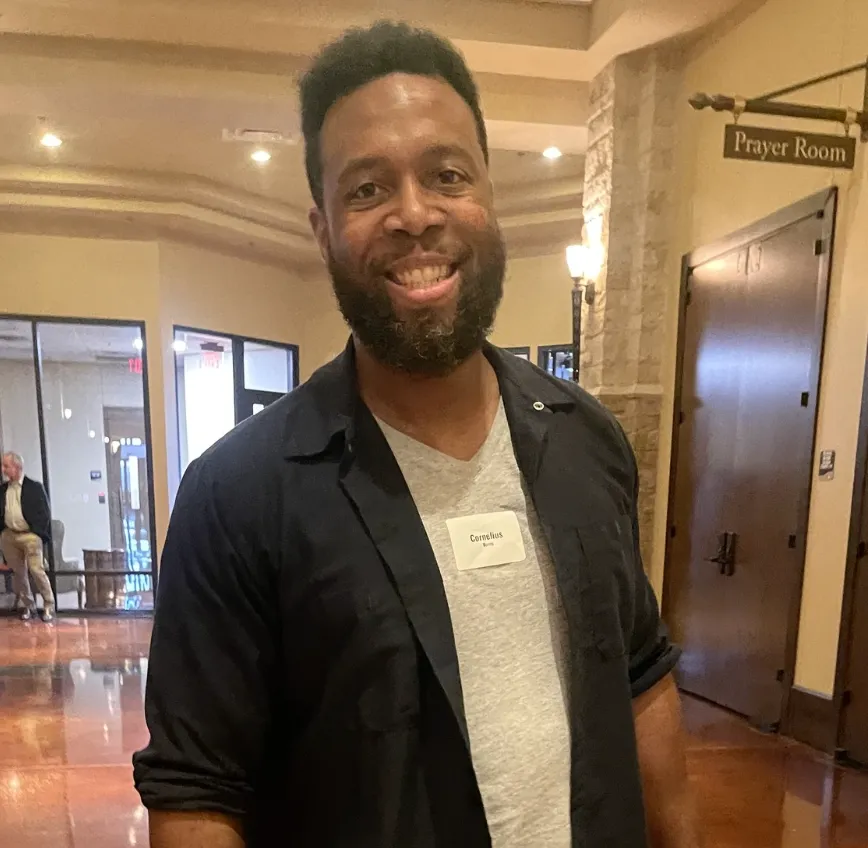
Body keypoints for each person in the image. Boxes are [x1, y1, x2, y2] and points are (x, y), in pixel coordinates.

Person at [134, 21, 699, 848]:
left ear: (488, 197)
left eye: (446, 175)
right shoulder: (239, 496)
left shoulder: (589, 440)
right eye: (366, 190)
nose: (413, 214)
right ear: (322, 230)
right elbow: (197, 789)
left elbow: (642, 677)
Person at [0, 452, 55, 622]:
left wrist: (37, 533)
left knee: (37, 570)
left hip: (30, 535)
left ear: (17, 467)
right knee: (19, 574)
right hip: (9, 536)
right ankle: (28, 606)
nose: (3, 469)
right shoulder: (3, 489)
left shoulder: (34, 487)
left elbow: (44, 512)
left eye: (6, 466)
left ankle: (48, 605)